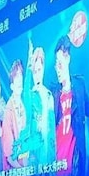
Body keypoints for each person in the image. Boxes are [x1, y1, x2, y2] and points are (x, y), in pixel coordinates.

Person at [53, 37, 89, 176]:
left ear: (67, 59)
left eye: (60, 63)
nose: (57, 68)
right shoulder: (54, 93)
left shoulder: (79, 86)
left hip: (74, 166)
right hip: (55, 168)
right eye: (56, 64)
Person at [28, 38, 56, 169]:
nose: (37, 74)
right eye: (35, 71)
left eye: (39, 70)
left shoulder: (49, 95)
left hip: (49, 157)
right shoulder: (29, 96)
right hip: (34, 158)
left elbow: (52, 132)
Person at [1, 60, 27, 168]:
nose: (19, 79)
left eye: (20, 75)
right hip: (16, 170)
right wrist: (22, 171)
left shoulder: (25, 104)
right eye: (16, 76)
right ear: (11, 86)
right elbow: (9, 154)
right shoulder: (9, 110)